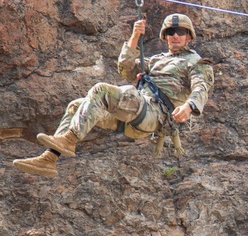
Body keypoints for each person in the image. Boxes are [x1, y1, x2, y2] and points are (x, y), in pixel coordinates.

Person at [13, 13, 213, 177]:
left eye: (180, 32)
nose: (175, 35)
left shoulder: (194, 62)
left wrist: (188, 107)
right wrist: (135, 37)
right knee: (76, 106)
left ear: (188, 36)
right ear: (165, 36)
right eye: (170, 32)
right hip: (135, 113)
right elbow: (125, 69)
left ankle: (69, 139)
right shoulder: (156, 60)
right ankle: (49, 159)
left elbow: (200, 87)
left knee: (101, 90)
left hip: (153, 114)